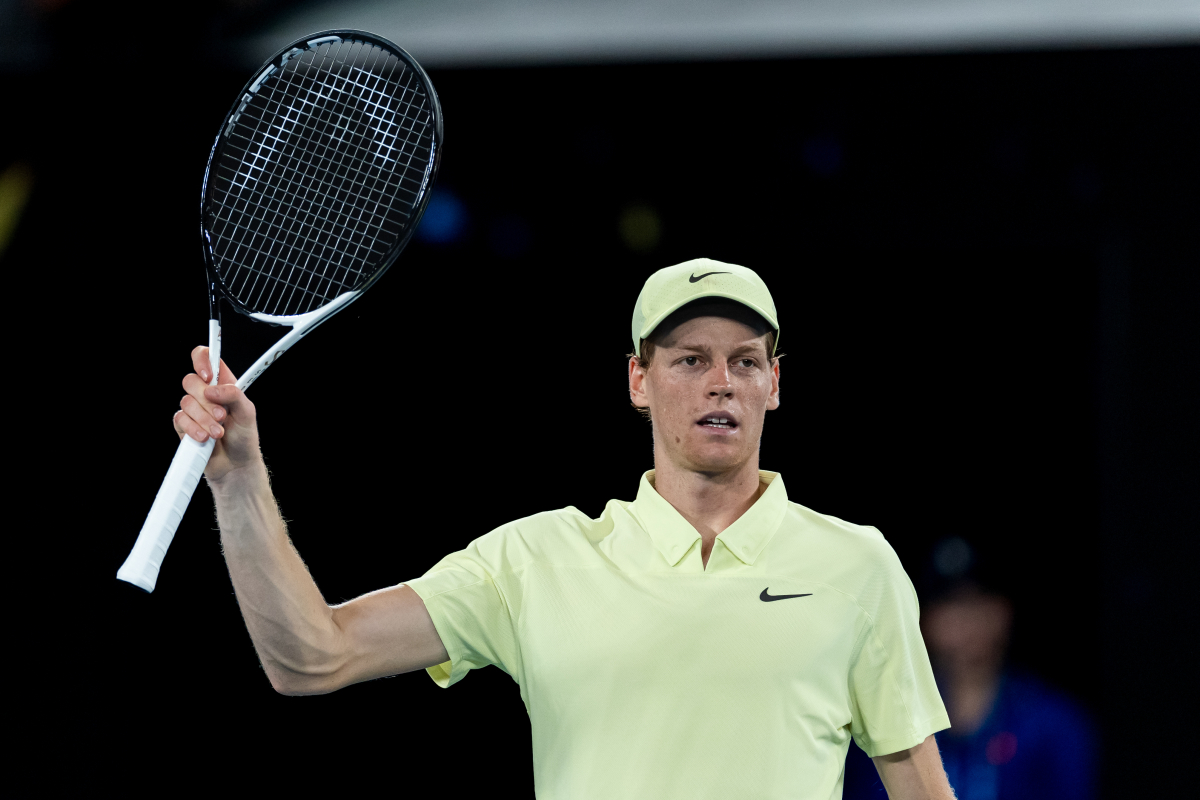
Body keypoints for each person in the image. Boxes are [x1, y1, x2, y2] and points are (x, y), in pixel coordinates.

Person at [172, 258, 955, 799]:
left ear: (774, 384)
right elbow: (312, 657)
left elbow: (920, 788)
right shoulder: (533, 561)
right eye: (689, 360)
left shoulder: (857, 566)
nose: (721, 382)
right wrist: (239, 480)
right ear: (639, 380)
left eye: (745, 362)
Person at [843, 537, 1097, 800]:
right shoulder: (887, 722)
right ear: (922, 619)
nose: (967, 619)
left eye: (979, 601)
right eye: (950, 604)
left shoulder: (1053, 724)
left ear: (1005, 610)